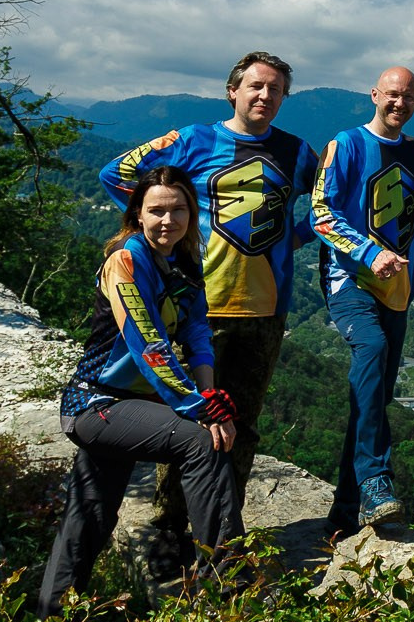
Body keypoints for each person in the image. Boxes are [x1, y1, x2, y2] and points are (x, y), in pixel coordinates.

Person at [97, 52, 319, 492]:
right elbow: (116, 173)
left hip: (264, 310)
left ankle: (224, 535)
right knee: (189, 418)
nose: (265, 95)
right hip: (196, 305)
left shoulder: (296, 152)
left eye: (276, 89)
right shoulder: (194, 140)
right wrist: (158, 233)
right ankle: (171, 526)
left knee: (243, 423)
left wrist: (293, 236)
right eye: (256, 85)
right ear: (232, 91)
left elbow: (333, 201)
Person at [39, 168, 242, 613]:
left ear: (191, 213)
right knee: (201, 444)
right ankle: (229, 589)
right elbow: (147, 341)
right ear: (137, 214)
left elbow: (197, 333)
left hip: (129, 404)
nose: (167, 220)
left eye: (178, 209)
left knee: (88, 519)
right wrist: (198, 409)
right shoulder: (125, 261)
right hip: (97, 403)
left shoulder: (184, 264)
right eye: (156, 210)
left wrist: (208, 396)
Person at [312, 65, 414, 532]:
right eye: (392, 95)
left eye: (409, 97)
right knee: (371, 352)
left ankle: (342, 515)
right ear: (374, 95)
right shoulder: (347, 144)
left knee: (374, 395)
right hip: (349, 280)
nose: (399, 104)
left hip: (398, 290)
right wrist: (370, 252)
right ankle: (376, 480)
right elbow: (321, 212)